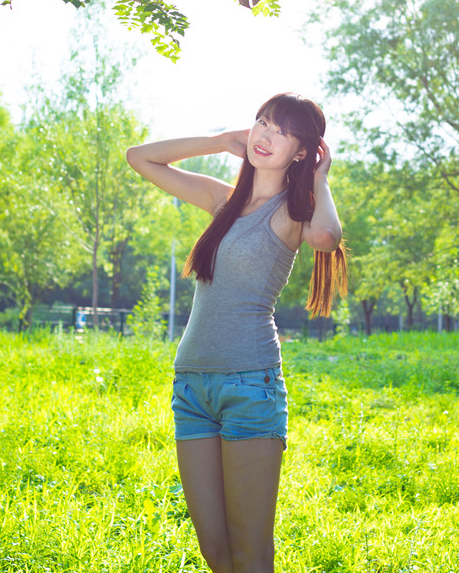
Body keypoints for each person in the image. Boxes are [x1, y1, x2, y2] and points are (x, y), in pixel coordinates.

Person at [125, 92, 348, 573]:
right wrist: (217, 140)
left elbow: (327, 237)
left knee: (250, 554)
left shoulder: (292, 211)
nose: (266, 135)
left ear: (303, 151)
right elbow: (138, 157)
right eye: (262, 122)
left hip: (250, 386)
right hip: (191, 388)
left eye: (283, 131)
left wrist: (319, 179)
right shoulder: (221, 200)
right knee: (216, 551)